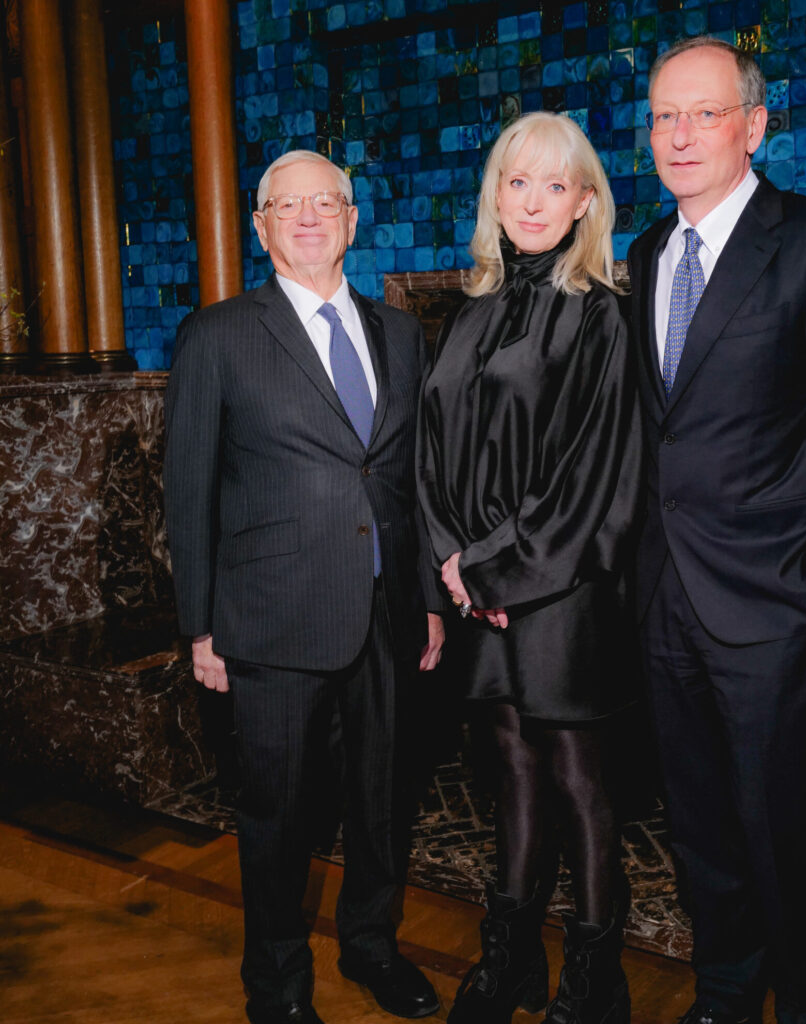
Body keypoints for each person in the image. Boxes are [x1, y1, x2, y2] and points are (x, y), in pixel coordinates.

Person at [627, 37, 806, 1024]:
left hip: (776, 607)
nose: (679, 134)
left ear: (754, 125)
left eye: (703, 113)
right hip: (666, 606)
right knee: (697, 833)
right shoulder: (649, 252)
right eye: (663, 115)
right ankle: (724, 999)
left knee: (784, 838)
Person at [163, 149, 444, 1024]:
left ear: (354, 220)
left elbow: (415, 477)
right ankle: (277, 990)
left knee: (382, 804)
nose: (310, 218)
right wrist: (201, 628)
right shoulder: (217, 334)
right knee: (276, 818)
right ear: (262, 227)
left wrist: (431, 598)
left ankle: (371, 947)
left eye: (327, 203)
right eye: (289, 207)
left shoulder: (400, 333)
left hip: (389, 613)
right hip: (271, 623)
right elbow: (188, 488)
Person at [417, 111, 641, 1024]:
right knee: (503, 769)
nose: (534, 201)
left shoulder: (601, 318)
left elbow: (596, 475)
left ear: (586, 201)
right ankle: (506, 961)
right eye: (518, 182)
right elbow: (428, 457)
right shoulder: (468, 311)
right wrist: (453, 562)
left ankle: (593, 982)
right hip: (475, 583)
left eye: (556, 184)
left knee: (576, 780)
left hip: (559, 588)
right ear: (495, 196)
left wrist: (499, 572)